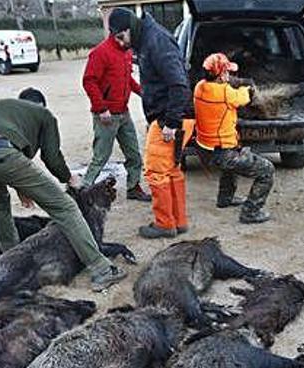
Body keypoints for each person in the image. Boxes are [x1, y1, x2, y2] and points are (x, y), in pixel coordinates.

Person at [0, 88, 127, 292]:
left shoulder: (2, 107)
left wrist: (20, 183)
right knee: (65, 207)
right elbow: (51, 157)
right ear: (41, 105)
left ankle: (11, 261)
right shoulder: (44, 115)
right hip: (3, 154)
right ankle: (102, 270)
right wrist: (68, 178)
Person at [106, 7, 194, 239]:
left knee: (155, 171)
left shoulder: (156, 41)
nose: (121, 44)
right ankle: (178, 221)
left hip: (171, 117)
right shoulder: (148, 38)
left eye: (120, 37)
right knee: (171, 170)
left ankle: (164, 223)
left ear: (128, 28)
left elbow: (179, 84)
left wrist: (171, 123)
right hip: (175, 115)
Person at [193, 53, 275, 224]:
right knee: (267, 170)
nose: (230, 75)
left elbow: (223, 88)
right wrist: (248, 85)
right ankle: (251, 212)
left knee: (231, 159)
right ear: (222, 75)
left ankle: (225, 199)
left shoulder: (199, 87)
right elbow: (243, 97)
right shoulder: (226, 93)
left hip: (205, 149)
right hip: (222, 152)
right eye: (227, 72)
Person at [81, 25, 150, 201]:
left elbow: (127, 79)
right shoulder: (100, 53)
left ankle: (133, 187)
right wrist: (101, 108)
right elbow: (89, 81)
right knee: (100, 157)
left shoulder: (126, 51)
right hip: (106, 115)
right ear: (121, 34)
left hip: (123, 113)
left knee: (134, 154)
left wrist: (144, 92)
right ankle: (82, 191)